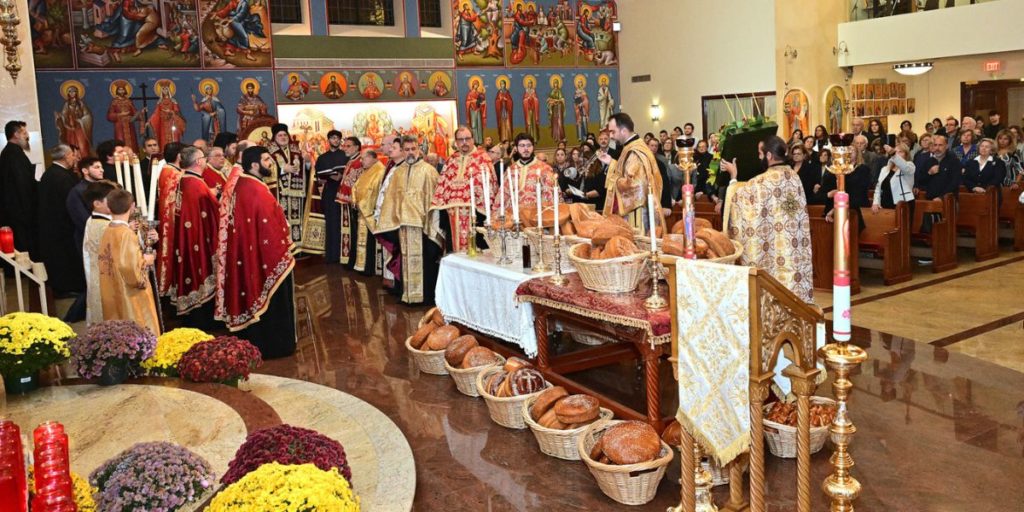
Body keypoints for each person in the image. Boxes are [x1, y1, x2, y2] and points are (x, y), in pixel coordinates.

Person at [215, 146, 296, 358]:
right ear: (254, 165)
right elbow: (270, 226)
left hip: (248, 252)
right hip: (264, 255)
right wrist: (284, 247)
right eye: (267, 160)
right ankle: (275, 345)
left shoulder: (244, 183)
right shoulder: (255, 189)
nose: (271, 163)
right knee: (270, 295)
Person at [720, 136, 813, 303]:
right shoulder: (794, 177)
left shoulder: (762, 182)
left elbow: (738, 200)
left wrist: (733, 176)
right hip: (793, 251)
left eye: (760, 153)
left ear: (769, 155)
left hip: (773, 253)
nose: (759, 157)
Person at [375, 136, 443, 305]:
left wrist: (432, 224)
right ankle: (406, 295)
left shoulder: (429, 171)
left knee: (425, 262)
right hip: (402, 226)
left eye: (413, 149)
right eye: (407, 149)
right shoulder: (397, 172)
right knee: (403, 260)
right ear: (403, 151)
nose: (410, 152)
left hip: (423, 226)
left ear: (418, 149)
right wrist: (389, 223)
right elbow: (391, 200)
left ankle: (425, 298)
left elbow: (435, 200)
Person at [168, 146, 220, 325]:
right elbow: (214, 211)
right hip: (198, 240)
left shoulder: (183, 180)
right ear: (198, 161)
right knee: (201, 270)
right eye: (204, 157)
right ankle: (203, 318)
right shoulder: (196, 184)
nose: (205, 160)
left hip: (186, 238)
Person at [98, 188, 160, 335]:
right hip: (129, 295)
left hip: (111, 288)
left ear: (108, 208)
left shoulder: (108, 230)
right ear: (132, 207)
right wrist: (147, 260)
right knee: (137, 332)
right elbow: (131, 269)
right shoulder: (126, 234)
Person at [431, 126, 495, 253]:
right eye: (460, 140)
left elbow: (490, 185)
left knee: (477, 251)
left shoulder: (483, 158)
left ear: (473, 139)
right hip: (452, 214)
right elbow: (442, 184)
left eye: (467, 138)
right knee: (453, 250)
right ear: (456, 142)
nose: (464, 142)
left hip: (476, 213)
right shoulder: (451, 160)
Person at [598, 113, 663, 234]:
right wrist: (612, 163)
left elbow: (636, 184)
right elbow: (628, 171)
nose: (611, 136)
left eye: (613, 132)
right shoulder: (631, 147)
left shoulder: (635, 151)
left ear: (623, 130)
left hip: (637, 213)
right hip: (636, 209)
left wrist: (614, 180)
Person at [36, 144, 86, 305]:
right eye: (72, 154)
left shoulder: (54, 173)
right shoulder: (60, 177)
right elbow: (69, 202)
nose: (74, 157)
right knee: (63, 259)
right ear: (65, 157)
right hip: (60, 227)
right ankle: (66, 288)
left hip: (56, 225)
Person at [267, 124, 309, 247]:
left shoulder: (296, 150)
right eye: (280, 135)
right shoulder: (269, 152)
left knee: (297, 218)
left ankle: (297, 246)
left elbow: (306, 169)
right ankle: (284, 246)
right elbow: (266, 171)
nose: (283, 137)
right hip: (279, 193)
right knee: (282, 218)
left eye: (285, 135)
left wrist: (307, 161)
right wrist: (282, 169)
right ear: (274, 137)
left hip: (297, 191)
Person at [82, 180, 116, 325]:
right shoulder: (106, 227)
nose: (115, 202)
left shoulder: (91, 220)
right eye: (111, 199)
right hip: (107, 280)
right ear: (97, 203)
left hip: (96, 275)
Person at [1, 121, 37, 253]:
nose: (27, 136)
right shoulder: (14, 155)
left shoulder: (11, 152)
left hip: (17, 211)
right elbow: (22, 185)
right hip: (21, 213)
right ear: (16, 134)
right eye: (24, 133)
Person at [314, 130, 349, 263]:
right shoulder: (322, 158)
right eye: (333, 138)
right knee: (330, 222)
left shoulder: (345, 155)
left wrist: (340, 176)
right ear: (328, 140)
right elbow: (318, 177)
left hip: (343, 192)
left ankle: (344, 254)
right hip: (329, 192)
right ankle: (331, 255)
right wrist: (327, 177)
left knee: (343, 222)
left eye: (338, 138)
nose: (336, 140)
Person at [503, 132, 558, 211]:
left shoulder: (545, 169)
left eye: (529, 145)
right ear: (516, 148)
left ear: (533, 147)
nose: (526, 149)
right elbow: (503, 195)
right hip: (515, 214)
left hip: (538, 214)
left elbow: (550, 195)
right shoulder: (511, 170)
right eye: (522, 145)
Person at [335, 137, 366, 269]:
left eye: (348, 146)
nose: (345, 149)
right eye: (344, 146)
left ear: (357, 147)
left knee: (353, 232)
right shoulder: (351, 160)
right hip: (345, 201)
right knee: (348, 231)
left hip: (352, 202)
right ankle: (349, 259)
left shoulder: (359, 162)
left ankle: (353, 260)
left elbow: (354, 183)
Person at [872, 143, 916, 217]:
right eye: (895, 152)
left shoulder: (910, 166)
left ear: (906, 154)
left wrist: (893, 154)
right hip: (885, 203)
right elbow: (878, 188)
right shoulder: (885, 169)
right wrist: (875, 202)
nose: (897, 154)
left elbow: (904, 166)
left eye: (900, 152)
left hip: (903, 203)